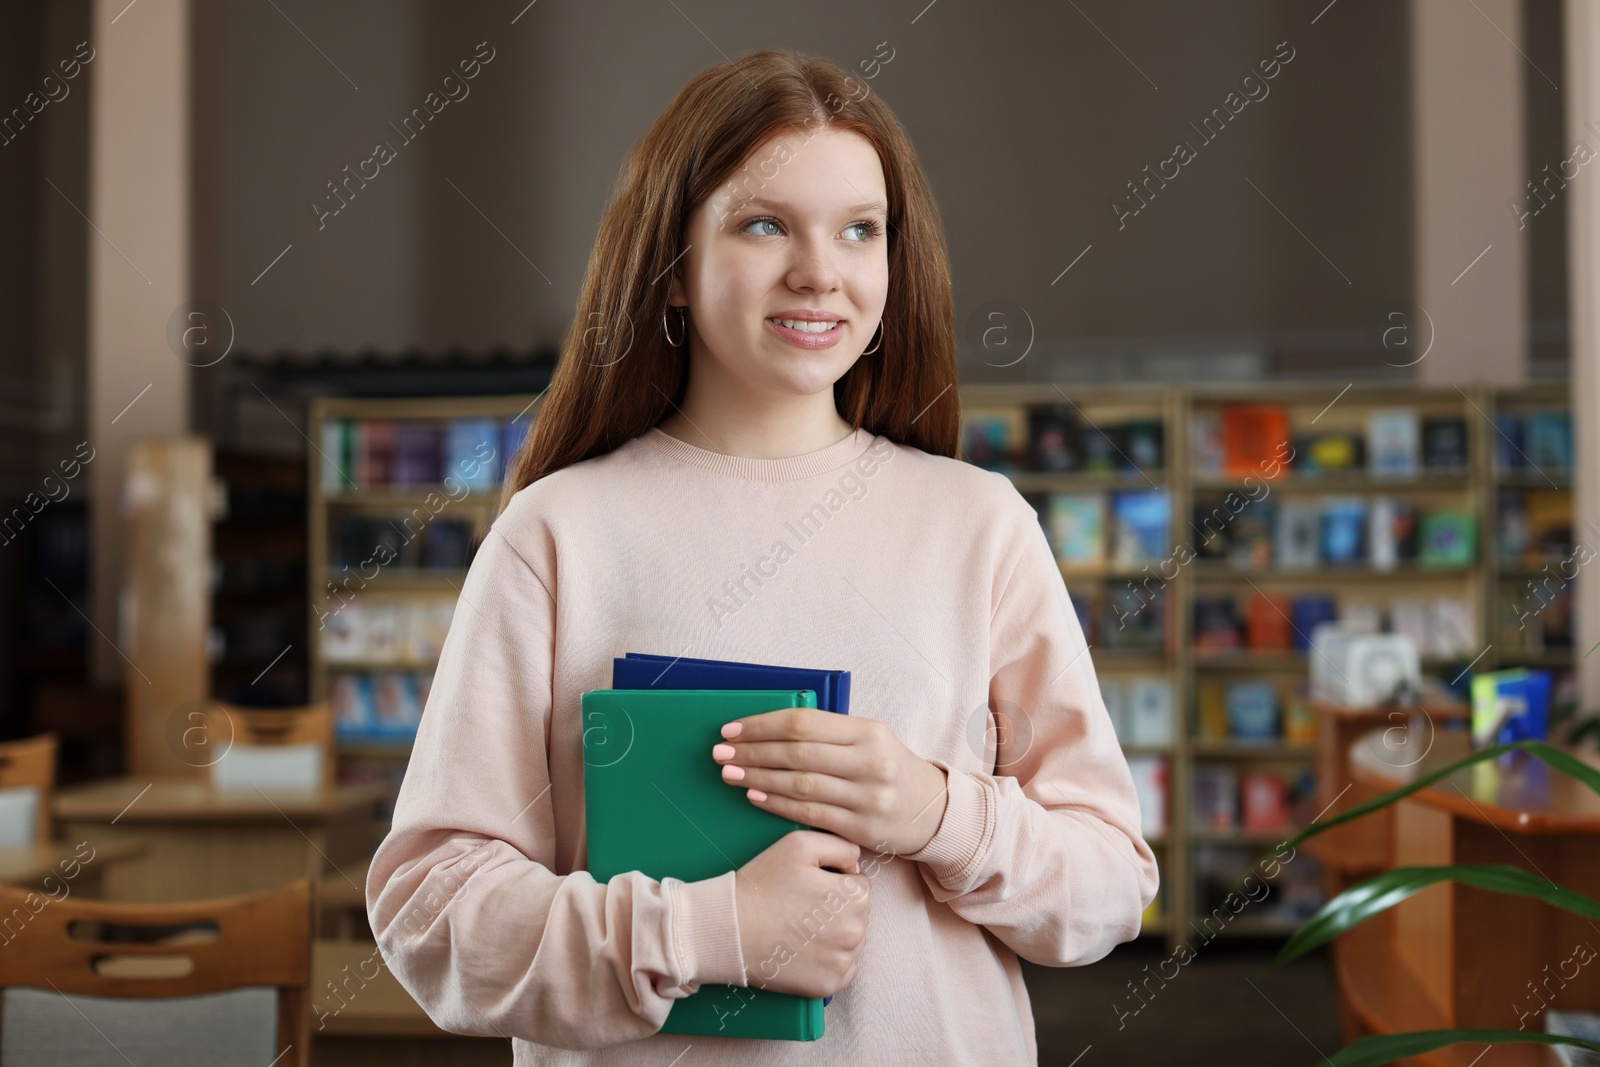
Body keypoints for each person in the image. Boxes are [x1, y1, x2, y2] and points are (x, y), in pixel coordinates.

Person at [365, 47, 1158, 1066]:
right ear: (674, 269)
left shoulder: (979, 523)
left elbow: (1106, 889)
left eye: (858, 230)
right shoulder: (555, 535)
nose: (819, 271)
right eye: (763, 223)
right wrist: (712, 930)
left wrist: (938, 810)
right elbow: (430, 918)